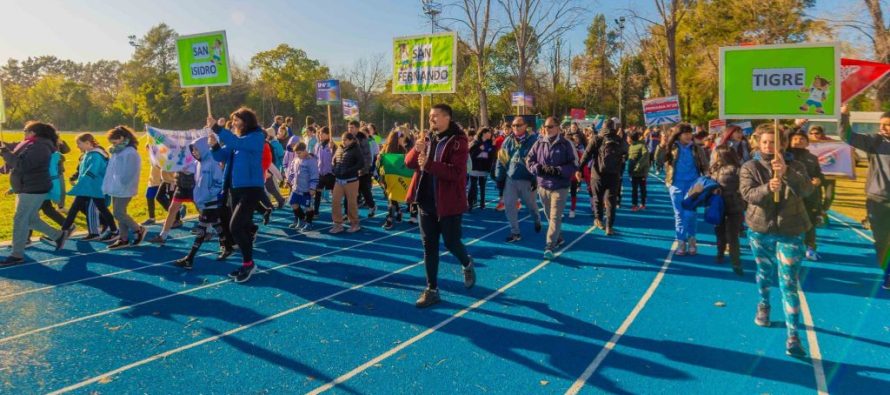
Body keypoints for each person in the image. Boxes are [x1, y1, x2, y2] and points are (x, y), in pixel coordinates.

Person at [740, 123, 814, 357]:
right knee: (764, 272)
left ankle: (793, 335)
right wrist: (766, 188)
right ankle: (764, 303)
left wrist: (786, 173)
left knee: (789, 282)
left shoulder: (797, 165)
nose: (769, 146)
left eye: (773, 142)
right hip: (760, 229)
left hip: (791, 231)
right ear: (758, 143)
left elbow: (806, 191)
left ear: (782, 144)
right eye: (764, 142)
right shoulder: (750, 166)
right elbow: (747, 194)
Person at [405, 103, 475, 308]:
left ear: (447, 118)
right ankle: (432, 289)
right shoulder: (427, 138)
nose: (431, 120)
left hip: (448, 203)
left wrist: (428, 164)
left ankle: (467, 263)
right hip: (426, 202)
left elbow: (455, 173)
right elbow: (409, 164)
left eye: (435, 116)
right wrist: (415, 150)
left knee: (452, 243)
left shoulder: (458, 141)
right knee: (429, 247)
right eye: (429, 116)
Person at [208, 108, 266, 283]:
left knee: (235, 227)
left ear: (246, 121)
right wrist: (214, 145)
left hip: (251, 189)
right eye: (232, 120)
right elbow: (221, 156)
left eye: (236, 120)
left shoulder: (256, 137)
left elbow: (238, 144)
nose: (233, 123)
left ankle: (249, 263)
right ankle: (248, 263)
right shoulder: (236, 141)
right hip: (234, 189)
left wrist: (218, 129)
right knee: (242, 227)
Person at [0, 122, 66, 264]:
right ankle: (58, 236)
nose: (23, 133)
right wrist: (4, 147)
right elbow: (13, 147)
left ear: (33, 132)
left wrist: (5, 152)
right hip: (26, 187)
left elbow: (23, 165)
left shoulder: (41, 147)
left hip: (33, 188)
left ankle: (17, 255)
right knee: (31, 220)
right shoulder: (30, 143)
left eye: (25, 131)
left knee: (20, 219)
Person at [839, 106, 890, 289]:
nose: (883, 128)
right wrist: (844, 115)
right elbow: (847, 136)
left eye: (887, 125)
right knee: (883, 239)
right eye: (881, 124)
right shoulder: (874, 141)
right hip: (878, 199)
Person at [526, 117, 577, 259]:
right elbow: (529, 160)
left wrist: (558, 171)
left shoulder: (567, 144)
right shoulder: (539, 143)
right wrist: (538, 168)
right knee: (549, 216)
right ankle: (558, 237)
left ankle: (549, 245)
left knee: (555, 217)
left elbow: (574, 163)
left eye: (550, 127)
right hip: (543, 186)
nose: (547, 129)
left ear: (558, 128)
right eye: (545, 127)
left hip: (560, 187)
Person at [173, 135, 226, 270]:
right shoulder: (197, 164)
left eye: (197, 149)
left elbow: (219, 183)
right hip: (203, 201)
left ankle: (189, 259)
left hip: (210, 201)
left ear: (203, 148)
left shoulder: (213, 162)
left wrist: (208, 195)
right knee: (216, 223)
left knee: (201, 228)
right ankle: (227, 245)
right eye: (193, 150)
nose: (195, 153)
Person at [659, 123, 708, 254]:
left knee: (691, 214)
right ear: (678, 135)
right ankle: (681, 242)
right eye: (685, 133)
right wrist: (661, 145)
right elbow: (658, 160)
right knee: (679, 214)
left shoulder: (697, 149)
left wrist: (707, 180)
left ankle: (692, 240)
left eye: (690, 133)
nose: (688, 136)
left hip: (693, 185)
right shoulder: (672, 148)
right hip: (676, 185)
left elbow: (705, 166)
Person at [60, 133, 117, 242]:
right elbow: (83, 172)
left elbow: (91, 172)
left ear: (87, 143)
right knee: (76, 208)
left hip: (95, 187)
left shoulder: (95, 155)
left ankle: (113, 230)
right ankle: (65, 231)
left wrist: (79, 185)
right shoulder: (88, 154)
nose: (77, 146)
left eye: (79, 143)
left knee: (101, 209)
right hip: (89, 187)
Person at [495, 117, 541, 242]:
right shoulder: (507, 141)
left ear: (526, 126)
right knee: (509, 206)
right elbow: (501, 160)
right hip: (510, 179)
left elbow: (540, 160)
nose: (515, 127)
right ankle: (515, 232)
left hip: (527, 179)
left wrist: (535, 178)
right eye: (513, 125)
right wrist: (499, 178)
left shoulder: (534, 141)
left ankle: (537, 219)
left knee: (531, 205)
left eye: (519, 125)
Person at [579, 119, 628, 236]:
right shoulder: (618, 139)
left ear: (603, 127)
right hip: (614, 175)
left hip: (597, 174)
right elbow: (626, 153)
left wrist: (579, 169)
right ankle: (609, 227)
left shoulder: (597, 138)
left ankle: (599, 220)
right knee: (611, 201)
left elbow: (586, 154)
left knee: (597, 198)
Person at [102, 126, 146, 250]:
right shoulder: (118, 150)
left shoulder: (130, 152)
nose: (112, 144)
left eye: (114, 141)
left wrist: (122, 182)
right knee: (120, 213)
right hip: (116, 187)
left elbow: (131, 171)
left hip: (125, 188)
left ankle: (138, 229)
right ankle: (123, 238)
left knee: (118, 213)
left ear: (122, 138)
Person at [788, 129, 825, 261]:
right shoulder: (785, 155)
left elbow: (819, 174)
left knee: (810, 222)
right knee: (789, 222)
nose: (798, 141)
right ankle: (789, 247)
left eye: (802, 139)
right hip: (789, 196)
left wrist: (819, 180)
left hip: (809, 195)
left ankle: (809, 247)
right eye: (795, 139)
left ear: (807, 143)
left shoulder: (812, 158)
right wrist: (796, 125)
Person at [710, 144, 745, 276]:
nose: (714, 156)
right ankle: (734, 261)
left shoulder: (734, 170)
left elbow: (742, 187)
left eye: (716, 154)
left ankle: (724, 256)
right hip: (730, 205)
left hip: (728, 205)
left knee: (726, 234)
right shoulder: (717, 169)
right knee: (728, 234)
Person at [330, 131, 364, 234]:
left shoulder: (356, 149)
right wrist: (334, 169)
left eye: (345, 140)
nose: (343, 141)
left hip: (351, 181)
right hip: (338, 180)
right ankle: (337, 224)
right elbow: (334, 160)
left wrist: (349, 170)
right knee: (335, 201)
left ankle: (354, 223)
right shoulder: (339, 148)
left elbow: (361, 163)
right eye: (342, 139)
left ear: (351, 140)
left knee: (351, 203)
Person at [284, 142, 319, 232]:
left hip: (306, 189)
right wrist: (288, 181)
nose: (297, 155)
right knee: (293, 203)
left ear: (305, 151)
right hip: (296, 188)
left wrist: (312, 188)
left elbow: (314, 175)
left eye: (299, 153)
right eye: (296, 153)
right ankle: (302, 219)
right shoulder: (296, 160)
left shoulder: (311, 161)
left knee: (308, 207)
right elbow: (292, 172)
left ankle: (309, 223)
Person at [378, 130, 408, 229]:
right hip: (388, 178)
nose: (403, 140)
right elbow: (380, 163)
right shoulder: (386, 149)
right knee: (392, 198)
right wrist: (379, 158)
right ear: (397, 138)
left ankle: (390, 219)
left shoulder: (402, 150)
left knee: (392, 198)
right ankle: (398, 212)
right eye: (401, 138)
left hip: (397, 178)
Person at [468, 127, 495, 211]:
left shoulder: (489, 143)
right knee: (472, 185)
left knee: (483, 185)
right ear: (483, 133)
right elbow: (471, 155)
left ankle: (482, 203)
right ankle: (470, 203)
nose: (490, 134)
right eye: (488, 133)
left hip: (484, 167)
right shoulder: (475, 142)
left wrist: (491, 149)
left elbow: (491, 155)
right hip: (475, 167)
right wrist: (480, 150)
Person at [352, 123, 377, 218]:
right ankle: (350, 212)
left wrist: (369, 168)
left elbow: (370, 156)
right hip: (354, 170)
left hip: (365, 170)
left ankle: (372, 206)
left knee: (365, 191)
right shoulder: (353, 140)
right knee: (354, 192)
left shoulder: (371, 141)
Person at [312, 126, 336, 216]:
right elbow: (315, 157)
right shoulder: (317, 145)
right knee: (317, 193)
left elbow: (336, 157)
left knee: (334, 194)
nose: (320, 135)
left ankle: (336, 212)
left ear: (328, 135)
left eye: (323, 133)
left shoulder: (332, 145)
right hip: (320, 173)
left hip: (330, 173)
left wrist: (332, 149)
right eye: (319, 133)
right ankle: (316, 211)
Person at [627, 131, 650, 211]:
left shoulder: (642, 146)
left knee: (642, 189)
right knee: (634, 190)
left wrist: (638, 167)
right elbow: (630, 160)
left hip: (641, 173)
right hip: (633, 173)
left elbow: (645, 156)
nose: (627, 138)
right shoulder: (630, 146)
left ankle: (643, 204)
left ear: (631, 138)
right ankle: (634, 205)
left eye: (628, 137)